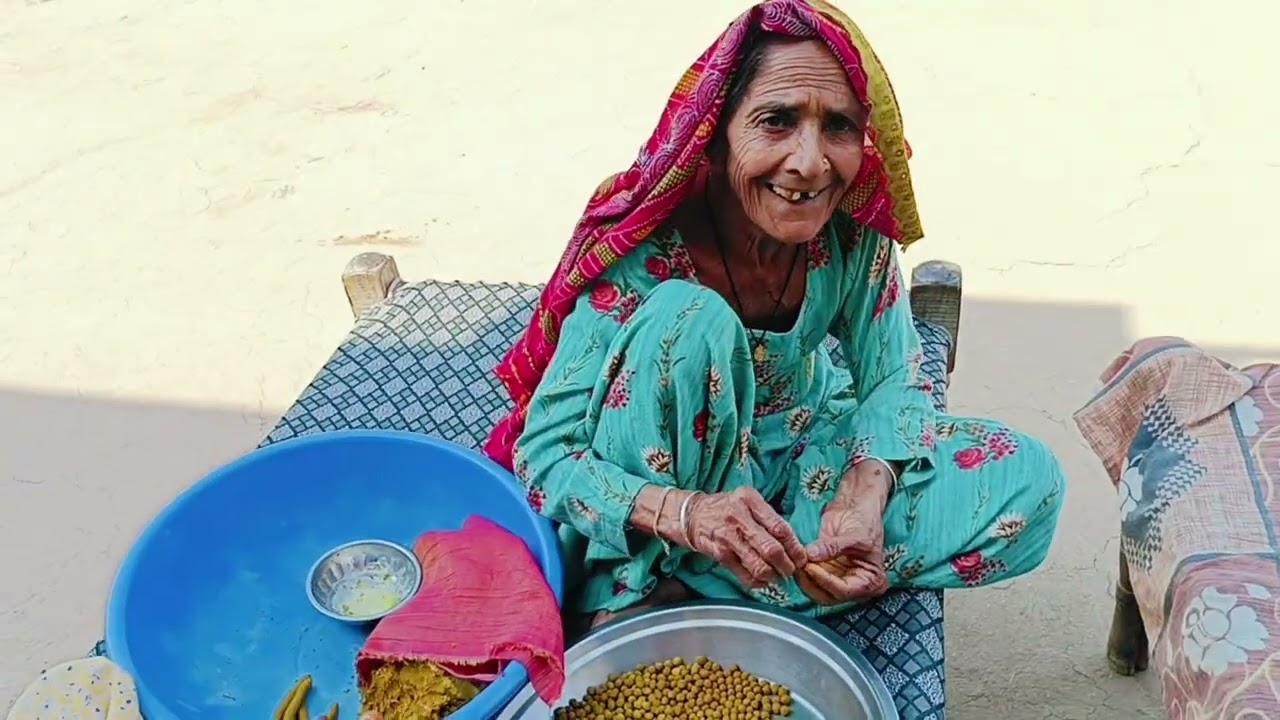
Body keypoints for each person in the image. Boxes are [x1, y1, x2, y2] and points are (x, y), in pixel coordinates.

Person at [485, 0, 1066, 626]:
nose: (811, 164)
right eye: (777, 121)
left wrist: (864, 494)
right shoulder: (644, 245)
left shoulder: (850, 230)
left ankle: (723, 582)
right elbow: (545, 457)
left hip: (799, 453)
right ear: (715, 134)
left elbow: (895, 375)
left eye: (839, 126)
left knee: (1030, 480)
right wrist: (691, 515)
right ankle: (668, 579)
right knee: (689, 319)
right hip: (663, 494)